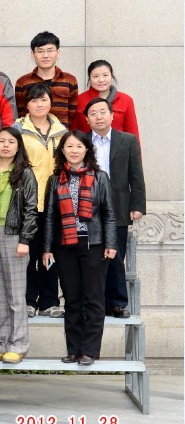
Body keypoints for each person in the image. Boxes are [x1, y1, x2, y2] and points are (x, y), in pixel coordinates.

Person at [43, 131, 118, 366]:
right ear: (62, 151)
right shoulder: (55, 180)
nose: (74, 150)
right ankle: (73, 349)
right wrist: (47, 248)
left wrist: (111, 243)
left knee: (93, 299)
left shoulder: (100, 177)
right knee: (72, 299)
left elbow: (109, 213)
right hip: (65, 246)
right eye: (69, 146)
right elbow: (49, 217)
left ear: (87, 150)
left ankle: (90, 351)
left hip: (93, 244)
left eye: (78, 146)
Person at [0, 127, 39, 363]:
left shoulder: (25, 173)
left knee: (15, 294)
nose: (5, 145)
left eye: (11, 142)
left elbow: (31, 209)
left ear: (18, 146)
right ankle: (2, 343)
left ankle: (19, 344)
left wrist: (25, 239)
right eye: (1, 141)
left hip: (14, 235)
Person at [84, 98, 146, 319]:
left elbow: (136, 174)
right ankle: (92, 302)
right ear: (87, 119)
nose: (98, 116)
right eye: (93, 113)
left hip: (118, 206)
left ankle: (117, 303)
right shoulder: (80, 141)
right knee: (89, 257)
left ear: (112, 115)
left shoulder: (127, 140)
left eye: (103, 112)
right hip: (87, 206)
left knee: (116, 255)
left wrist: (137, 205)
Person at [15, 82, 69, 318]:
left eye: (44, 99)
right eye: (34, 100)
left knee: (51, 253)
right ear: (26, 105)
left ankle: (49, 300)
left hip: (56, 203)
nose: (39, 104)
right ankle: (29, 300)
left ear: (51, 102)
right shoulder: (17, 130)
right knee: (28, 254)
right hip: (28, 203)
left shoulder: (62, 132)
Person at [15, 31, 79, 128]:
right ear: (32, 54)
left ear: (58, 53)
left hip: (62, 134)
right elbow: (22, 113)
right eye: (40, 51)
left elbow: (72, 114)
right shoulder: (23, 82)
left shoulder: (70, 80)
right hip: (32, 135)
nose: (45, 55)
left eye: (50, 50)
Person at [73, 60, 140, 142]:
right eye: (95, 76)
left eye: (105, 75)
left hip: (118, 148)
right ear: (89, 78)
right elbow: (73, 132)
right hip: (88, 147)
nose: (101, 80)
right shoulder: (79, 100)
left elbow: (133, 133)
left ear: (111, 76)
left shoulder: (126, 100)